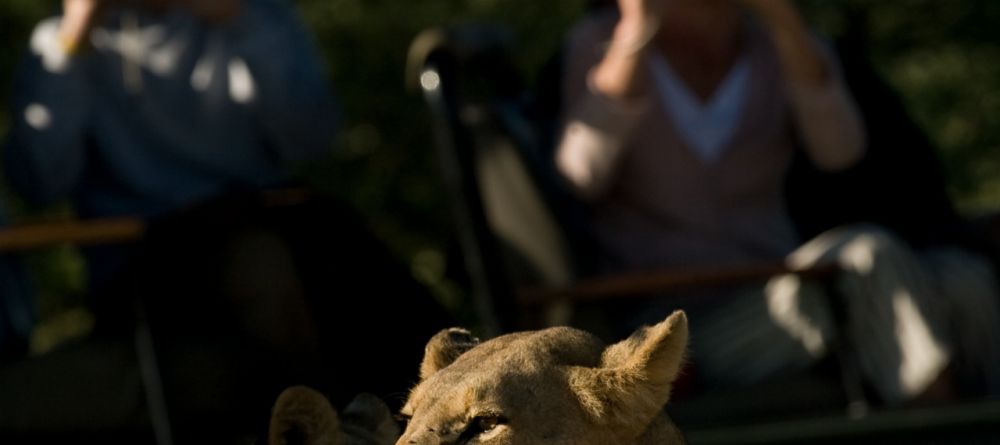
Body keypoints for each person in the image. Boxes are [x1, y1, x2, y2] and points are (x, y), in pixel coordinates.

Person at [3, 0, 454, 440]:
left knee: (346, 258)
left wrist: (243, 23)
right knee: (260, 262)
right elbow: (38, 181)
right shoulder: (63, 44)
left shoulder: (253, 16)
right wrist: (75, 37)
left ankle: (439, 410)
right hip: (147, 266)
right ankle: (333, 429)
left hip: (272, 227)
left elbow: (314, 137)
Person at [555, 0, 1000, 406]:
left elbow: (839, 149)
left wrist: (786, 25)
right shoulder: (599, 45)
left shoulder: (778, 46)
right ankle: (936, 427)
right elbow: (581, 175)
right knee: (866, 258)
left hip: (772, 283)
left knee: (964, 279)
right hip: (675, 325)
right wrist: (636, 34)